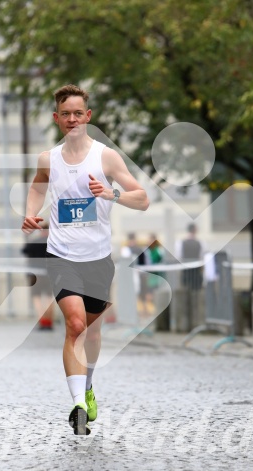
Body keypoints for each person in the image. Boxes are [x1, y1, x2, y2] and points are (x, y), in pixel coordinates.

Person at [22, 84, 149, 435]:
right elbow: (37, 186)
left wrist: (111, 193)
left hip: (97, 259)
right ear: (57, 118)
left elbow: (143, 199)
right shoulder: (49, 159)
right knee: (75, 325)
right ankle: (78, 402)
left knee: (91, 332)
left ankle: (88, 386)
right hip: (61, 256)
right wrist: (31, 213)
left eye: (79, 113)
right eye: (66, 114)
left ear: (88, 116)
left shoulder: (105, 157)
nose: (73, 119)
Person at [22, 222, 55, 330]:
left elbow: (24, 251)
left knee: (37, 298)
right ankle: (49, 321)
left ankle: (42, 321)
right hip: (50, 274)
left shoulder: (34, 242)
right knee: (49, 297)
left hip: (35, 274)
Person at [175, 222, 204, 290]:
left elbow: (178, 256)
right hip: (196, 271)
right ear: (195, 230)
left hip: (186, 271)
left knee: (186, 290)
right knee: (196, 292)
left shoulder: (180, 243)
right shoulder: (200, 243)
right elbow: (202, 257)